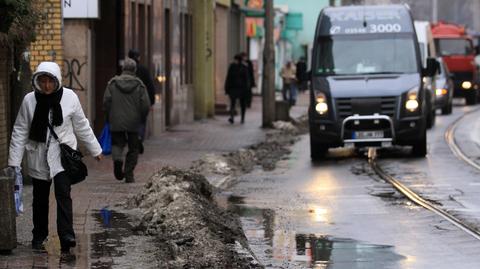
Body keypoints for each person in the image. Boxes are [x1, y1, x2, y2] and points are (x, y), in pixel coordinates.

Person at [8, 61, 103, 253]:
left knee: (63, 195)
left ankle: (67, 235)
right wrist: (14, 162)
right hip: (38, 156)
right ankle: (39, 236)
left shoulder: (70, 98)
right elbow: (20, 130)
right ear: (37, 81)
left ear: (57, 81)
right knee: (40, 199)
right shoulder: (29, 100)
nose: (46, 86)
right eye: (42, 81)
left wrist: (96, 149)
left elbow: (81, 125)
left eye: (50, 81)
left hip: (62, 157)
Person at [103, 58, 150, 183]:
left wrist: (109, 116)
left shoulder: (112, 83)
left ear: (123, 69)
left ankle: (118, 166)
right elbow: (145, 105)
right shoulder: (139, 85)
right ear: (134, 70)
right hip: (134, 123)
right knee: (134, 148)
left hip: (116, 121)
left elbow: (106, 102)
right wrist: (141, 118)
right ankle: (129, 174)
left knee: (117, 144)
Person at [127, 49, 155, 154]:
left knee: (130, 123)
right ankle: (139, 138)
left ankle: (132, 140)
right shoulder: (144, 70)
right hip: (142, 101)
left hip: (128, 103)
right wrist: (151, 102)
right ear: (138, 58)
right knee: (141, 122)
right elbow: (150, 86)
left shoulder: (124, 71)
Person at [225, 54, 251, 124]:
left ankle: (241, 118)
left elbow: (246, 79)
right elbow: (228, 78)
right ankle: (232, 118)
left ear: (237, 60)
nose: (234, 61)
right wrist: (227, 88)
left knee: (241, 104)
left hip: (240, 88)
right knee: (233, 103)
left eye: (235, 59)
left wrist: (247, 89)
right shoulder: (233, 67)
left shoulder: (243, 67)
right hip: (235, 88)